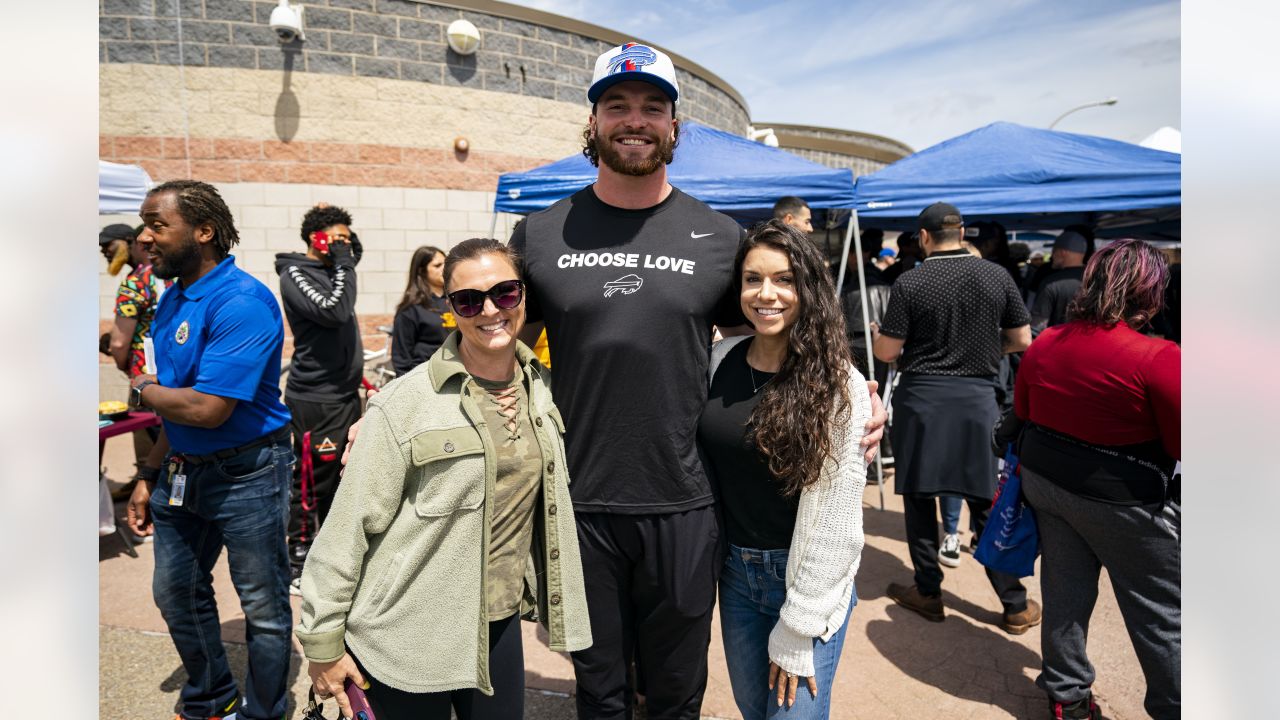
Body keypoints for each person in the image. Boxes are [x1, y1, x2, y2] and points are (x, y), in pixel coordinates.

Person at [507, 42, 886, 719]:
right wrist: (391, 408)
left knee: (677, 692)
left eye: (654, 107)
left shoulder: (716, 238)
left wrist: (856, 390)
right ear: (591, 124)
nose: (636, 120)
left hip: (685, 504)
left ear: (675, 128)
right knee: (598, 691)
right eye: (617, 105)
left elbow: (784, 320)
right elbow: (487, 339)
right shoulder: (539, 234)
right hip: (579, 501)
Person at [296, 238, 591, 720]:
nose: (490, 310)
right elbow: (347, 530)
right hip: (404, 634)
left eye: (506, 293)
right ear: (450, 309)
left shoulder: (545, 391)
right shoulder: (404, 404)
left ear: (523, 297)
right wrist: (323, 644)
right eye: (469, 300)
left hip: (496, 624)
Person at [125, 180, 294, 720]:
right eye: (145, 225)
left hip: (249, 474)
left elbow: (205, 408)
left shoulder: (242, 302)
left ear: (204, 231)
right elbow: (181, 407)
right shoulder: (173, 295)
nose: (145, 237)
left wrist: (141, 389)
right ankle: (212, 692)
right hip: (181, 471)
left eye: (157, 224)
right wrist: (149, 471)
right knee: (176, 592)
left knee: (262, 608)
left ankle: (263, 710)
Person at [700, 220, 871, 719]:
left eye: (784, 279)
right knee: (755, 711)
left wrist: (799, 626)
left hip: (804, 582)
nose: (765, 294)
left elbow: (839, 522)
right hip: (735, 575)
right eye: (753, 279)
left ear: (808, 288)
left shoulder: (840, 385)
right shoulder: (719, 360)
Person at [1012, 239, 1180, 720]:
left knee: (1064, 591)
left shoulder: (1047, 342)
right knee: (1161, 613)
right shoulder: (1159, 356)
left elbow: (1024, 412)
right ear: (1150, 291)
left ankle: (1067, 698)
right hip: (1123, 499)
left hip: (1049, 484)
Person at [872, 202, 1038, 633]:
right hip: (977, 401)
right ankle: (1014, 602)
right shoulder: (996, 275)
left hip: (923, 401)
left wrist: (879, 339)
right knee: (984, 497)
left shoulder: (911, 281)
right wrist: (984, 350)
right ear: (962, 232)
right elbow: (1021, 339)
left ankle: (928, 591)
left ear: (924, 237)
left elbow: (887, 353)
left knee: (920, 497)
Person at [275, 204, 365, 595]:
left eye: (348, 238)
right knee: (313, 479)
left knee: (344, 477)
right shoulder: (295, 272)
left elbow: (351, 262)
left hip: (344, 395)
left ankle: (332, 556)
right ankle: (299, 559)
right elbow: (335, 310)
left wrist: (345, 252)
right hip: (316, 399)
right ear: (317, 239)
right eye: (338, 238)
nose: (345, 247)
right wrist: (343, 261)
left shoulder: (335, 270)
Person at [99, 222, 170, 500]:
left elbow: (119, 342)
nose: (105, 252)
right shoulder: (168, 277)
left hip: (143, 375)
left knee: (146, 429)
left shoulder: (135, 282)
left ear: (131, 241)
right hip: (173, 372)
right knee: (163, 433)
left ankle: (149, 490)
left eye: (109, 245)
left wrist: (121, 362)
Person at [391, 245, 453, 376]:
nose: (445, 268)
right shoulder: (410, 309)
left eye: (446, 263)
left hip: (458, 375)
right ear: (422, 271)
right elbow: (402, 360)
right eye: (437, 265)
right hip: (425, 379)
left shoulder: (456, 300)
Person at [1029, 231, 1087, 335]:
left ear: (1063, 252)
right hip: (1092, 347)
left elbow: (1037, 328)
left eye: (1054, 250)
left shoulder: (1051, 283)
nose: (1052, 256)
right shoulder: (1097, 279)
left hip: (1059, 347)